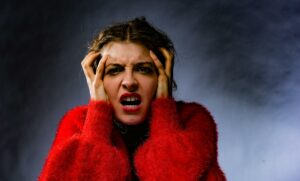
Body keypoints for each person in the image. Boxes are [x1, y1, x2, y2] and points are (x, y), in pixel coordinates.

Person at [38, 17, 226, 181]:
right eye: (114, 70)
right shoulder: (77, 124)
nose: (129, 82)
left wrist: (164, 112)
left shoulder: (192, 119)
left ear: (162, 76)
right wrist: (97, 120)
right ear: (98, 80)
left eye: (143, 69)